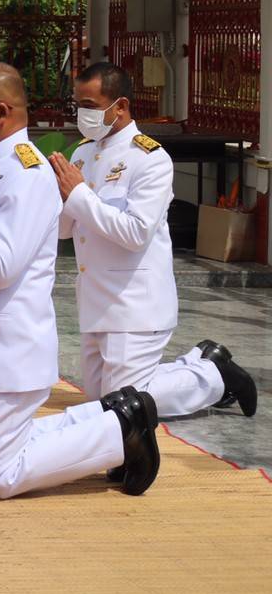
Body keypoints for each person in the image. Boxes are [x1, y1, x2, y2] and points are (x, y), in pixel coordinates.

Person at [0, 62, 163, 498]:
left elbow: (1, 266)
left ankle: (120, 429)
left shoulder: (26, 174)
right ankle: (109, 415)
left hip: (1, 351)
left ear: (0, 112)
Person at [50, 62, 256, 427]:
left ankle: (213, 376)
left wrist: (78, 194)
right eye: (77, 104)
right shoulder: (81, 153)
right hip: (96, 299)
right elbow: (67, 230)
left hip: (135, 303)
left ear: (121, 106)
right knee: (103, 403)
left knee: (120, 408)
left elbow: (134, 233)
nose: (83, 114)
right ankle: (205, 364)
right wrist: (58, 196)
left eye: (91, 106)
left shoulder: (150, 159)